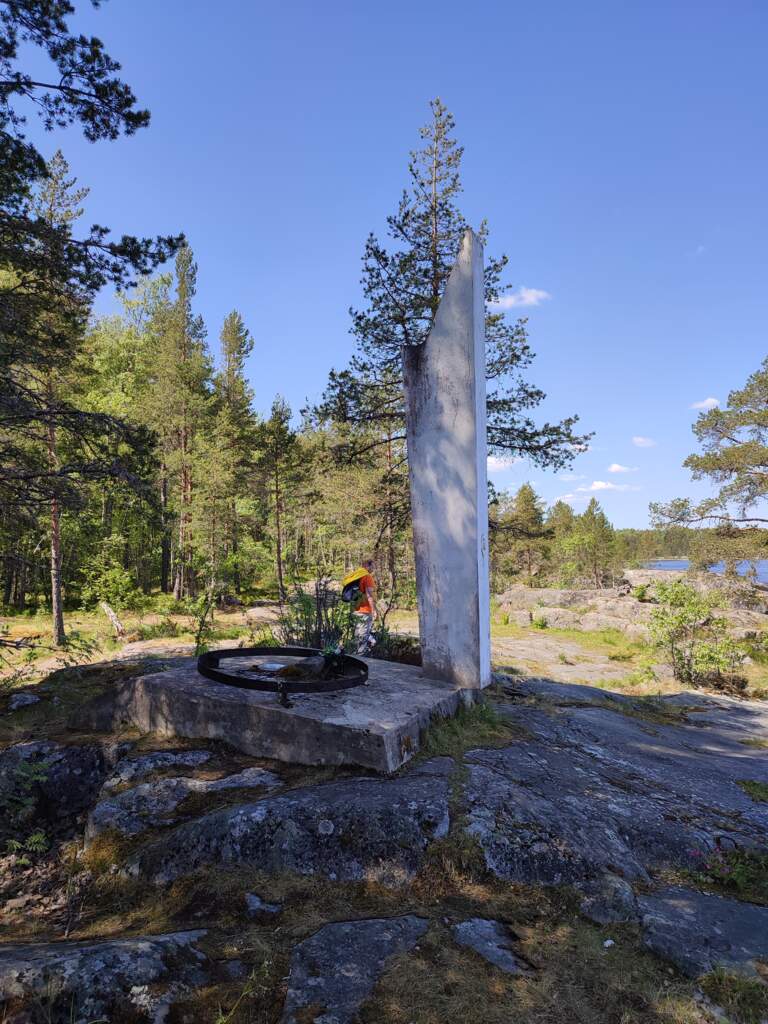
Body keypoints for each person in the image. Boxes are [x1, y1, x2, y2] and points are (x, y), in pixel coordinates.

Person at [352, 559, 377, 654]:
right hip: (365, 611)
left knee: (357, 634)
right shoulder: (367, 577)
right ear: (368, 566)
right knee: (363, 635)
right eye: (373, 567)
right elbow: (369, 596)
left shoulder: (356, 576)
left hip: (355, 609)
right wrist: (374, 610)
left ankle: (356, 655)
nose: (373, 569)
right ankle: (361, 657)